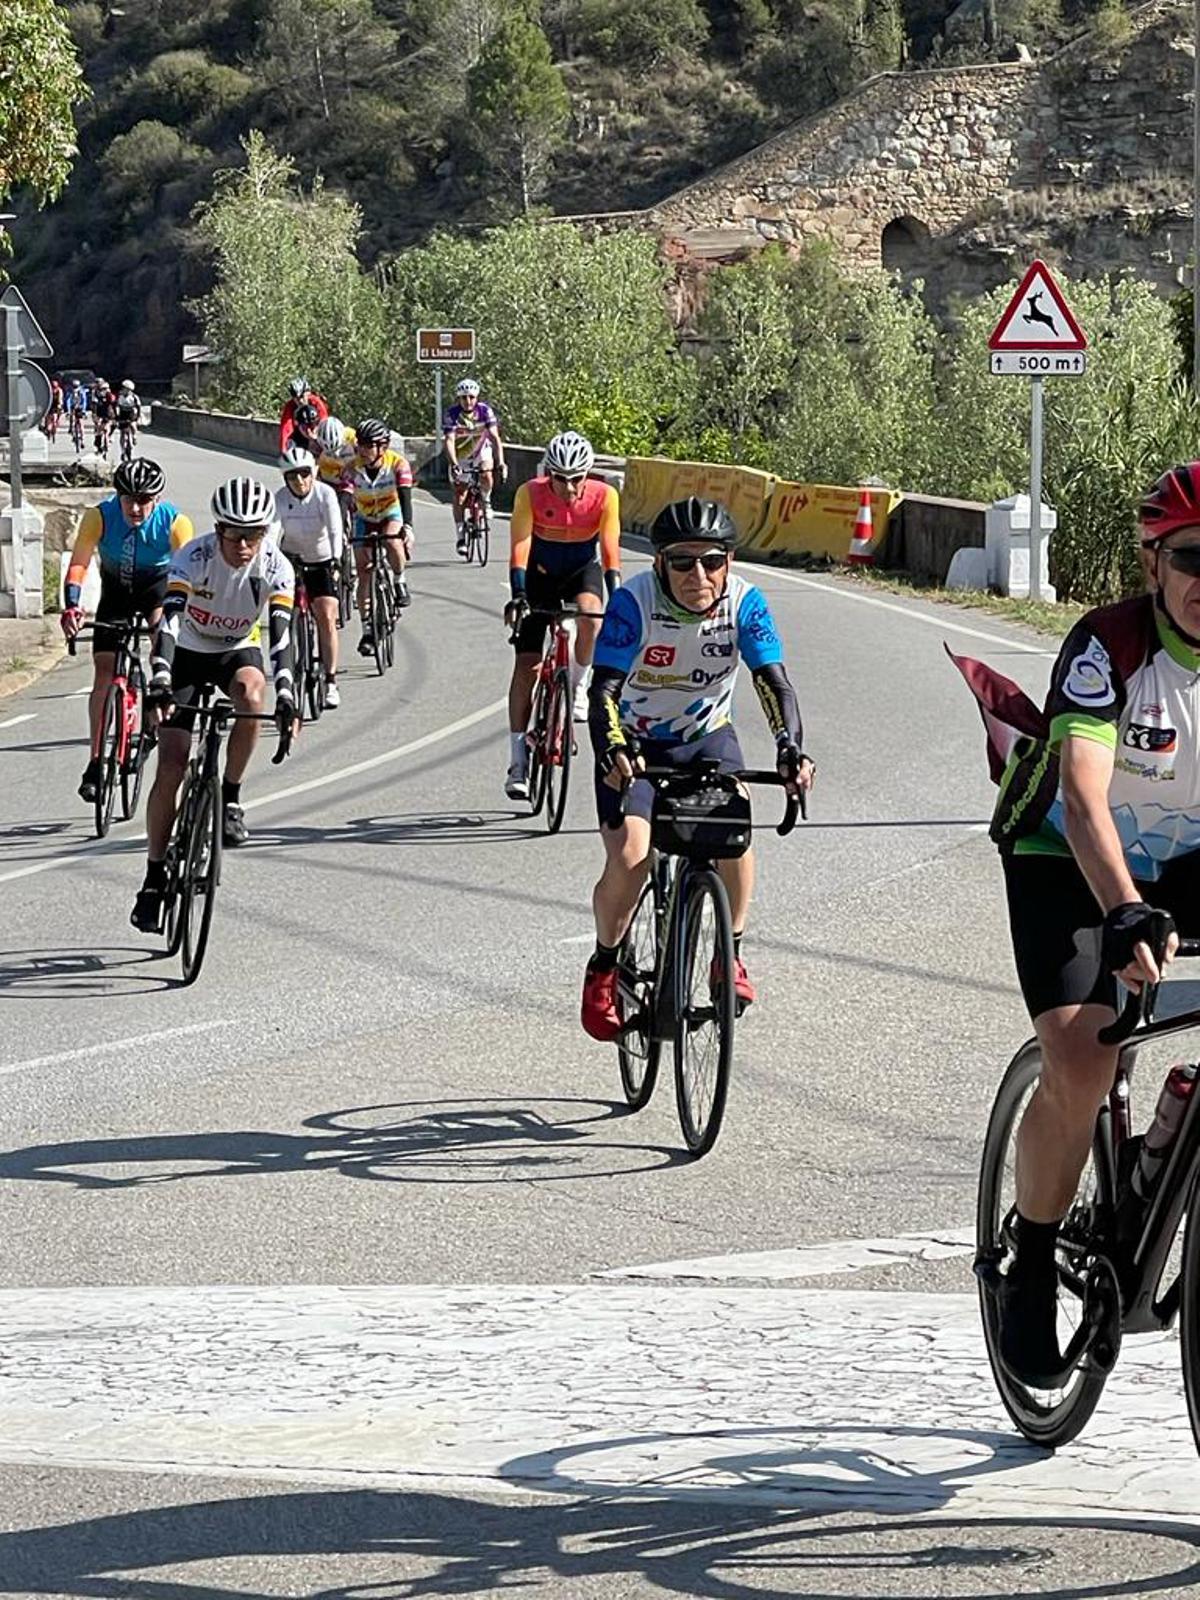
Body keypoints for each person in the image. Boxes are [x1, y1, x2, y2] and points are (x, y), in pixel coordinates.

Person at [957, 461, 1200, 1388]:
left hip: (1188, 860)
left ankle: (1159, 1159)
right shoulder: (1108, 646)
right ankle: (1031, 1253)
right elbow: (1087, 797)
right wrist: (1126, 907)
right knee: (1086, 1056)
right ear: (1152, 566)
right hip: (1068, 858)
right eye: (1192, 558)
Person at [579, 495, 813, 1042]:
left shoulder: (745, 603)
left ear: (729, 562)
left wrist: (789, 749)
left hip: (704, 737)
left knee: (736, 834)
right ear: (659, 562)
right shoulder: (633, 602)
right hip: (632, 742)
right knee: (633, 858)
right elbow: (604, 690)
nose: (698, 574)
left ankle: (728, 953)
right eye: (682, 561)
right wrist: (613, 747)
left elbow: (773, 683)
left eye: (712, 560)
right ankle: (604, 965)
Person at [131, 476, 296, 932]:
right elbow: (168, 623)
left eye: (255, 534)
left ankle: (232, 797)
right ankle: (154, 874)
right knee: (171, 765)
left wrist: (287, 696)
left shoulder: (275, 566)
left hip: (236, 649)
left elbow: (282, 637)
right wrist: (160, 681)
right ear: (219, 529)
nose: (245, 545)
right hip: (185, 652)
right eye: (236, 535)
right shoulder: (193, 557)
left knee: (252, 692)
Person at [60, 457, 195, 804]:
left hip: (156, 592)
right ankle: (95, 761)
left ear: (158, 498)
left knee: (161, 641)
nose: (136, 508)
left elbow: (187, 576)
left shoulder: (176, 523)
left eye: (145, 499)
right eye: (129, 499)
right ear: (117, 496)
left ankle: (154, 708)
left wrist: (180, 620)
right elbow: (79, 563)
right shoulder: (99, 517)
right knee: (104, 673)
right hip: (115, 594)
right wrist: (73, 605)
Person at [501, 431, 620, 801]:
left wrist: (615, 597)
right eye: (560, 479)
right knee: (528, 668)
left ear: (588, 475)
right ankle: (518, 759)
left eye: (576, 479)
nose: (569, 488)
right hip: (538, 576)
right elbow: (519, 546)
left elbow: (610, 550)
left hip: (581, 570)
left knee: (591, 617)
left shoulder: (604, 496)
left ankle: (579, 685)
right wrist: (519, 594)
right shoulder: (530, 493)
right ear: (548, 473)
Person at [276, 444, 344, 708]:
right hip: (290, 559)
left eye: (304, 474)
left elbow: (335, 529)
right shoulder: (280, 498)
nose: (300, 481)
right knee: (281, 613)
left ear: (314, 472)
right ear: (285, 478)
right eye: (293, 476)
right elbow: (272, 532)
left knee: (326, 615)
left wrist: (336, 560)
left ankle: (330, 681)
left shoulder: (325, 494)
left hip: (322, 558)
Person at [350, 417, 414, 656]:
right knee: (363, 570)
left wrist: (407, 527)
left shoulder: (398, 464)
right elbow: (341, 495)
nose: (362, 450)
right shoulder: (353, 466)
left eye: (368, 445)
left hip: (390, 513)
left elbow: (406, 498)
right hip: (364, 517)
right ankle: (367, 629)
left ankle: (399, 580)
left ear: (382, 447)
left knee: (391, 540)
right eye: (360, 445)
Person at [443, 378, 505, 555]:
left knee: (486, 473)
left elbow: (494, 437)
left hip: (480, 450)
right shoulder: (452, 414)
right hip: (460, 454)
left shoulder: (485, 411)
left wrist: (501, 462)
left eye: (471, 397)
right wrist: (454, 464)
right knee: (460, 495)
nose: (468, 401)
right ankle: (461, 536)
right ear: (459, 399)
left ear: (476, 397)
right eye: (463, 398)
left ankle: (486, 500)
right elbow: (449, 440)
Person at [278, 377, 329, 453]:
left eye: (302, 397)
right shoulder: (290, 406)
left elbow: (324, 421)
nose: (300, 401)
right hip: (300, 435)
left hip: (317, 432)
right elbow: (286, 428)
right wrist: (283, 450)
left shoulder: (316, 402)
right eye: (296, 398)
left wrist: (316, 436)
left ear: (308, 393)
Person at [116, 378, 142, 449]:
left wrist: (138, 417)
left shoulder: (134, 397)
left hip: (131, 413)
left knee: (132, 425)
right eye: (124, 388)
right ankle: (122, 450)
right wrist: (116, 416)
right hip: (123, 414)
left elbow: (138, 407)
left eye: (126, 389)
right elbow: (117, 406)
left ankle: (134, 436)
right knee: (122, 433)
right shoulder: (120, 396)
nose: (124, 390)